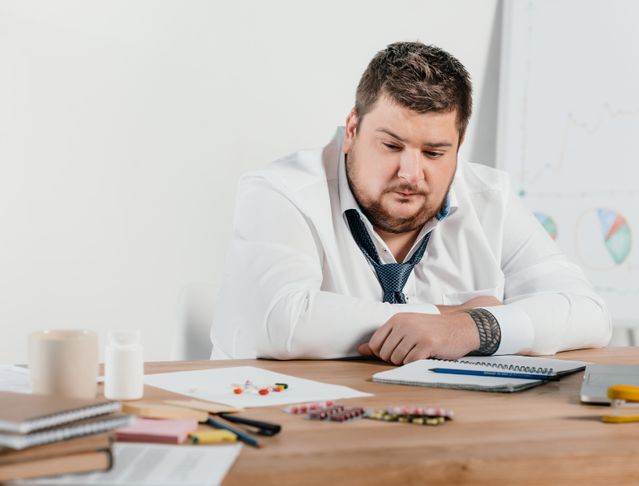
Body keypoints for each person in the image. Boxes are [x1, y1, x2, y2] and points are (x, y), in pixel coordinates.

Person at [210, 41, 611, 364]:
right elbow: (279, 323)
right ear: (352, 129)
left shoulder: (491, 198)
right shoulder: (280, 192)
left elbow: (590, 314)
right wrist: (442, 318)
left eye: (434, 153)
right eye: (391, 146)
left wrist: (472, 329)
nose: (410, 173)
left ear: (458, 145)